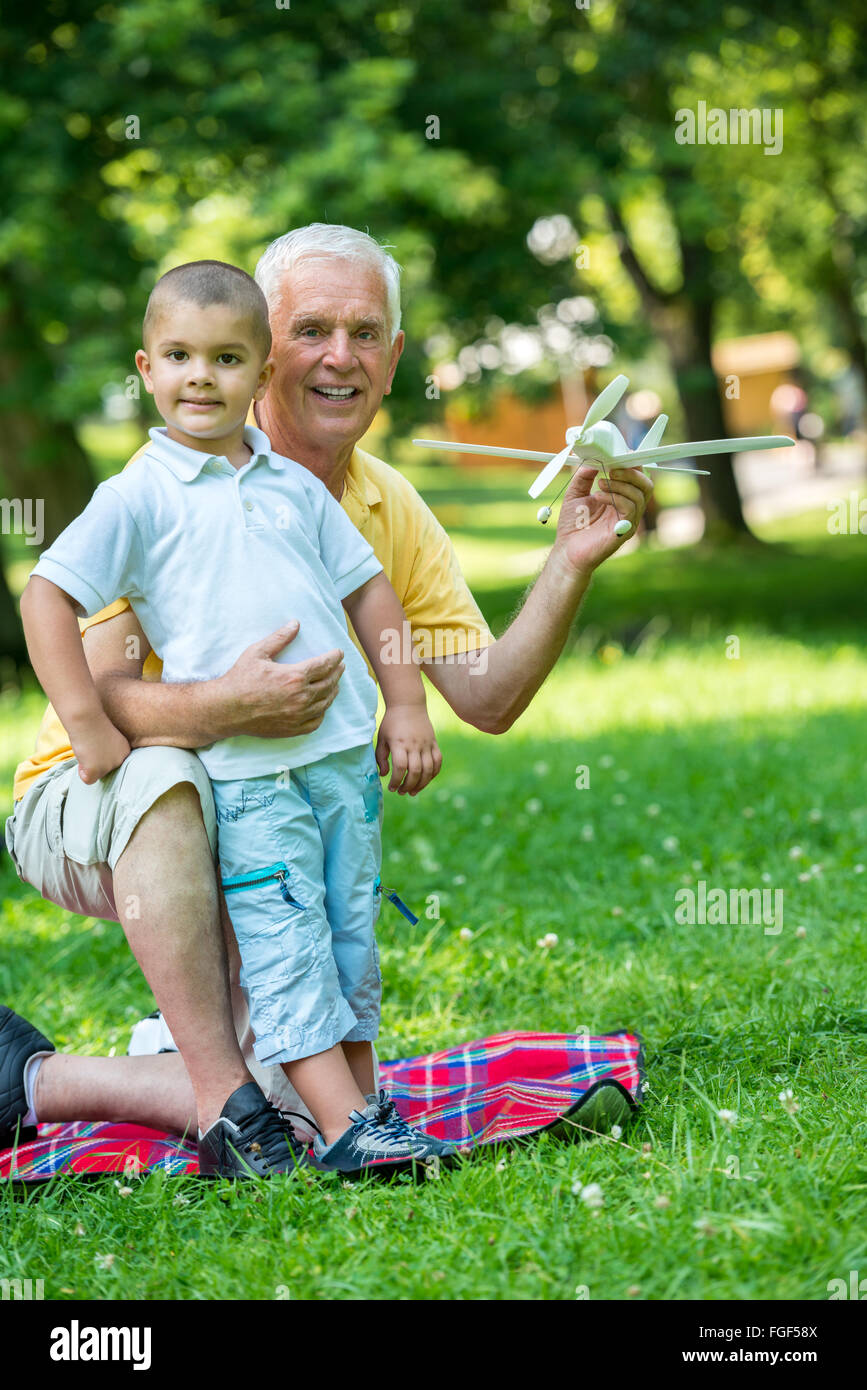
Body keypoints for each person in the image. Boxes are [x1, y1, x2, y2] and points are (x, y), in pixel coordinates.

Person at [2, 224, 653, 1169]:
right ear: (269, 349)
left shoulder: (375, 505)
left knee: (312, 1098)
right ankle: (122, 1084)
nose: (339, 357)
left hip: (260, 796)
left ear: (392, 360)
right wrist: (229, 704)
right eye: (311, 329)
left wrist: (569, 561)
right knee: (177, 775)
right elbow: (101, 701)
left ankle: (167, 1075)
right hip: (102, 799)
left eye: (365, 333)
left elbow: (487, 697)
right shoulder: (169, 496)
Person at [17, 259, 460, 1179]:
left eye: (224, 359)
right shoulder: (137, 496)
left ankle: (362, 1109)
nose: (198, 377)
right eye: (178, 356)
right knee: (284, 939)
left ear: (259, 376)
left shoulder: (292, 488)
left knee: (346, 936)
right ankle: (341, 1132)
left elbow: (372, 592)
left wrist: (407, 703)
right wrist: (90, 727)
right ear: (145, 368)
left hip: (340, 764)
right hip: (248, 777)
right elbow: (45, 598)